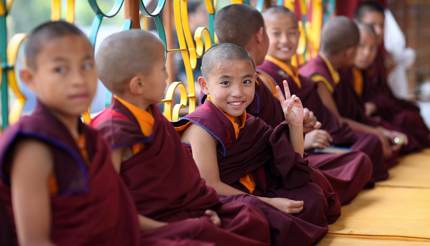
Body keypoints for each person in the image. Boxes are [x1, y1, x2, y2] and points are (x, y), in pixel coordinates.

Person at [91, 29, 283, 246]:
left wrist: (202, 209)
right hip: (142, 226)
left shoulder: (153, 117)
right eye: (162, 69)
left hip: (179, 211)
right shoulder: (112, 131)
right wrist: (174, 227)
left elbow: (185, 183)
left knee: (250, 218)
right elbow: (110, 208)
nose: (167, 76)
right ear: (138, 85)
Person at [0, 20, 143, 246]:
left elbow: (117, 218)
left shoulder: (91, 139)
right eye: (60, 69)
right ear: (29, 79)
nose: (78, 80)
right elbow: (34, 242)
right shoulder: (32, 146)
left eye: (86, 66)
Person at [178, 43, 341, 239]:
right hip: (225, 201)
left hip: (254, 192)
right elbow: (212, 186)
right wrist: (269, 203)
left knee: (312, 196)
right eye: (225, 83)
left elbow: (291, 166)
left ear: (255, 80)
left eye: (246, 82)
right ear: (205, 85)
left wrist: (295, 125)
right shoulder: (201, 128)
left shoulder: (250, 122)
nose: (238, 92)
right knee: (254, 219)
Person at [257, 6, 375, 203]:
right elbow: (268, 132)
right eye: (277, 34)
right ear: (263, 36)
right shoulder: (264, 76)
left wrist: (309, 126)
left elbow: (327, 119)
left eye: (292, 33)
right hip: (291, 156)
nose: (286, 40)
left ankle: (324, 192)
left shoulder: (295, 72)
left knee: (361, 157)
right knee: (359, 157)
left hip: (311, 148)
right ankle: (322, 193)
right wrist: (305, 138)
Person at [299, 16, 413, 171]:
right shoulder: (318, 76)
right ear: (349, 52)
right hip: (317, 143)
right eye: (359, 47)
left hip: (331, 135)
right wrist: (376, 132)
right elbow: (336, 124)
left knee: (377, 139)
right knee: (372, 144)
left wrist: (380, 131)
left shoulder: (332, 70)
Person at [355, 2, 430, 148]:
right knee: (402, 124)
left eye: (382, 26)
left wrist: (376, 104)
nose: (378, 31)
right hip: (363, 117)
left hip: (379, 109)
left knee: (411, 112)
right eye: (372, 25)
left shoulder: (379, 55)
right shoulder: (352, 57)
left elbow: (383, 92)